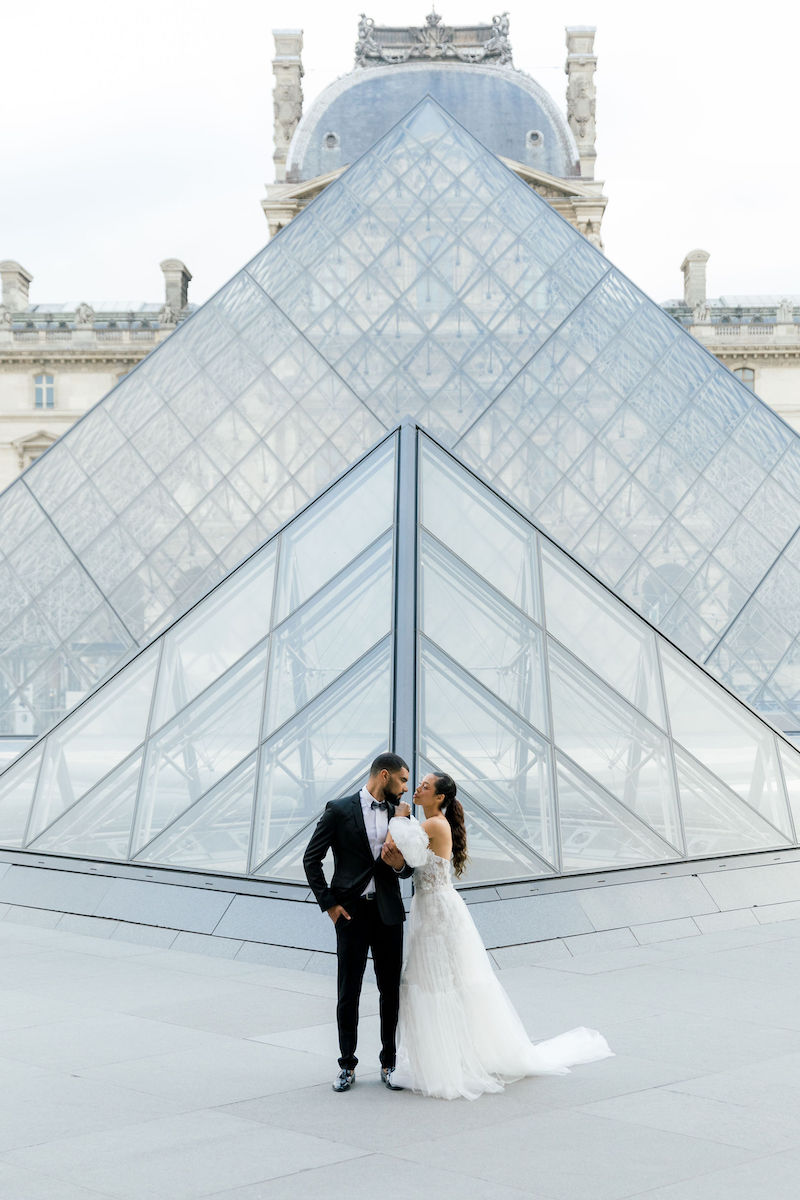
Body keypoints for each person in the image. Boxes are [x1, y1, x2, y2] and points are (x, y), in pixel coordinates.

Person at [388, 772, 613, 1100]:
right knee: (438, 980)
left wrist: (398, 817)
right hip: (431, 907)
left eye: (425, 787)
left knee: (439, 981)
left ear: (439, 798)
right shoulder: (433, 823)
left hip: (437, 911)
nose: (418, 789)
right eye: (419, 785)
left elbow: (406, 847)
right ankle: (450, 1057)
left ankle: (449, 1062)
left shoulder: (435, 824)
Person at [303, 752, 414, 1093]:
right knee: (348, 992)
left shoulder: (401, 814)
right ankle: (346, 1065)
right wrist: (330, 906)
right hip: (350, 914)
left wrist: (398, 866)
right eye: (403, 780)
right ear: (384, 776)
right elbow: (311, 859)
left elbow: (409, 867)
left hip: (388, 914)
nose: (406, 788)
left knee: (389, 991)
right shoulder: (338, 809)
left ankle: (388, 1063)